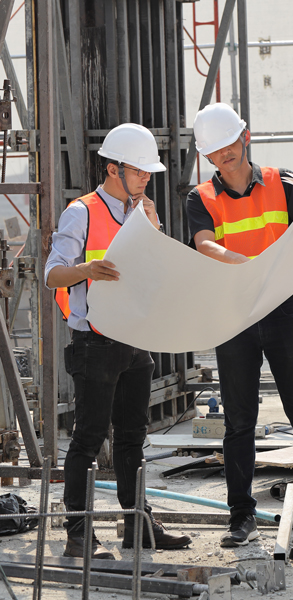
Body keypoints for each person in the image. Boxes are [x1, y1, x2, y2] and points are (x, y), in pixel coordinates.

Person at [187, 103, 293, 548]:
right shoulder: (201, 198)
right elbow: (204, 245)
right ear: (208, 157)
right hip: (235, 315)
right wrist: (252, 268)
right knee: (238, 423)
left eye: (229, 145)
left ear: (245, 137)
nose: (223, 155)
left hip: (284, 311)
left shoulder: (284, 183)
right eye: (214, 151)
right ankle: (241, 518)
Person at [45, 123, 192, 559]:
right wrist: (89, 270)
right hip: (95, 344)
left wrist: (152, 224)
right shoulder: (82, 212)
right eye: (139, 171)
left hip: (134, 341)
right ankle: (78, 535)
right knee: (88, 438)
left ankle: (137, 525)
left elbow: (155, 267)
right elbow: (54, 273)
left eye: (149, 171)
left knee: (131, 437)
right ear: (113, 169)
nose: (147, 178)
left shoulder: (140, 212)